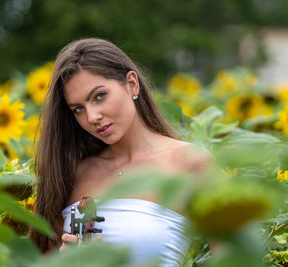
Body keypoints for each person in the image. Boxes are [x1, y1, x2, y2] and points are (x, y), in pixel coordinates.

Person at [29, 38, 212, 266]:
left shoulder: (190, 163)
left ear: (132, 84)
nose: (92, 117)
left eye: (99, 96)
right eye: (78, 109)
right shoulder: (72, 174)